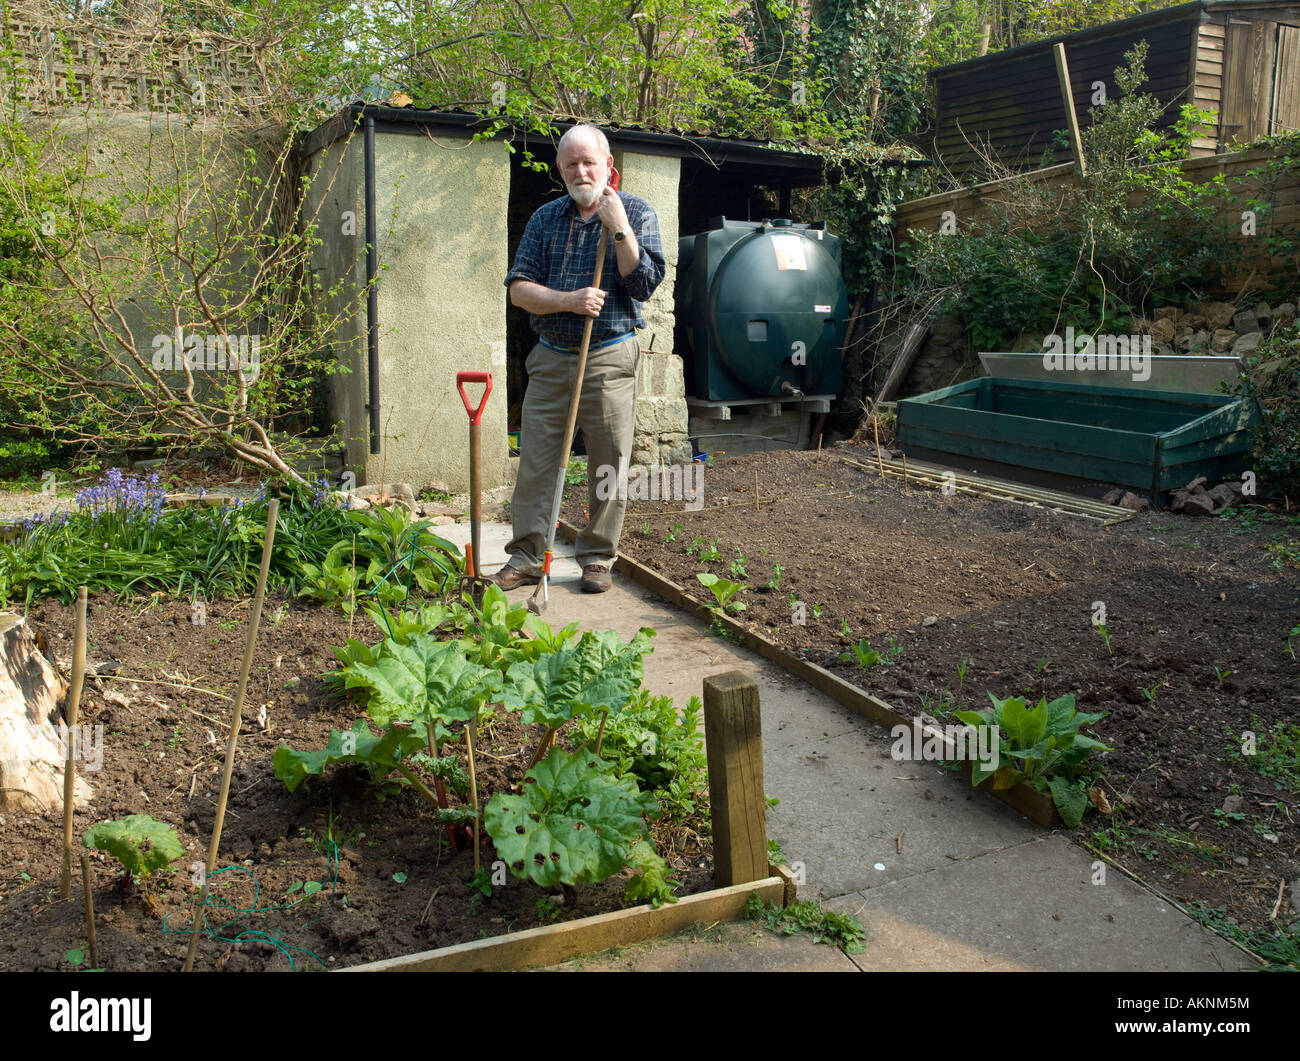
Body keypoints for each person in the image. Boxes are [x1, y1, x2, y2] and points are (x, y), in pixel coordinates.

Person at [494, 124, 665, 593]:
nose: (580, 170)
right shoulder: (546, 218)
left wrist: (620, 229)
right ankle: (528, 555)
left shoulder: (637, 213)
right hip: (551, 358)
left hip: (610, 355)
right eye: (571, 163)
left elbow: (644, 284)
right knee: (537, 462)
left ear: (608, 167)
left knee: (608, 460)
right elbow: (519, 290)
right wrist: (570, 300)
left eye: (589, 162)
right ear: (561, 170)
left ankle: (597, 556)